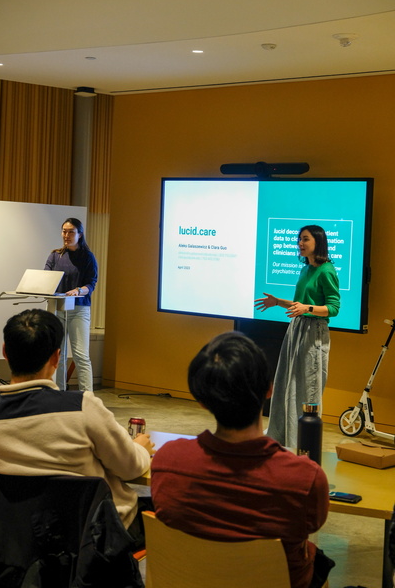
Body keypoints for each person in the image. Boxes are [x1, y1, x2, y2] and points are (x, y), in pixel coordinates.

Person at [151, 331, 332, 588]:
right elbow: (312, 524)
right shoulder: (305, 478)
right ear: (269, 389)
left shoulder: (167, 461)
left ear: (202, 400)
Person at [0, 308, 155, 539]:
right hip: (93, 540)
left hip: (18, 544)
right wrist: (140, 447)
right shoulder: (82, 407)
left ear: (5, 353)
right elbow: (129, 467)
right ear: (56, 357)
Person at [254, 224, 340, 448]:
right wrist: (278, 302)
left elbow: (333, 308)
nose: (300, 243)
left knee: (307, 387)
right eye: (299, 239)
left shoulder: (327, 270)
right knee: (288, 382)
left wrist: (308, 309)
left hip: (314, 333)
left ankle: (303, 441)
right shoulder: (306, 269)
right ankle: (283, 436)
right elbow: (300, 304)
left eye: (305, 239)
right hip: (297, 329)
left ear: (317, 242)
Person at [45, 217, 97, 391]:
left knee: (81, 355)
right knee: (58, 355)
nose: (66, 235)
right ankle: (58, 395)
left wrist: (78, 290)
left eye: (71, 232)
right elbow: (46, 278)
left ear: (80, 234)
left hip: (79, 309)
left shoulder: (88, 257)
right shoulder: (55, 255)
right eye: (64, 231)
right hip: (57, 309)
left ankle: (87, 398)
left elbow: (91, 283)